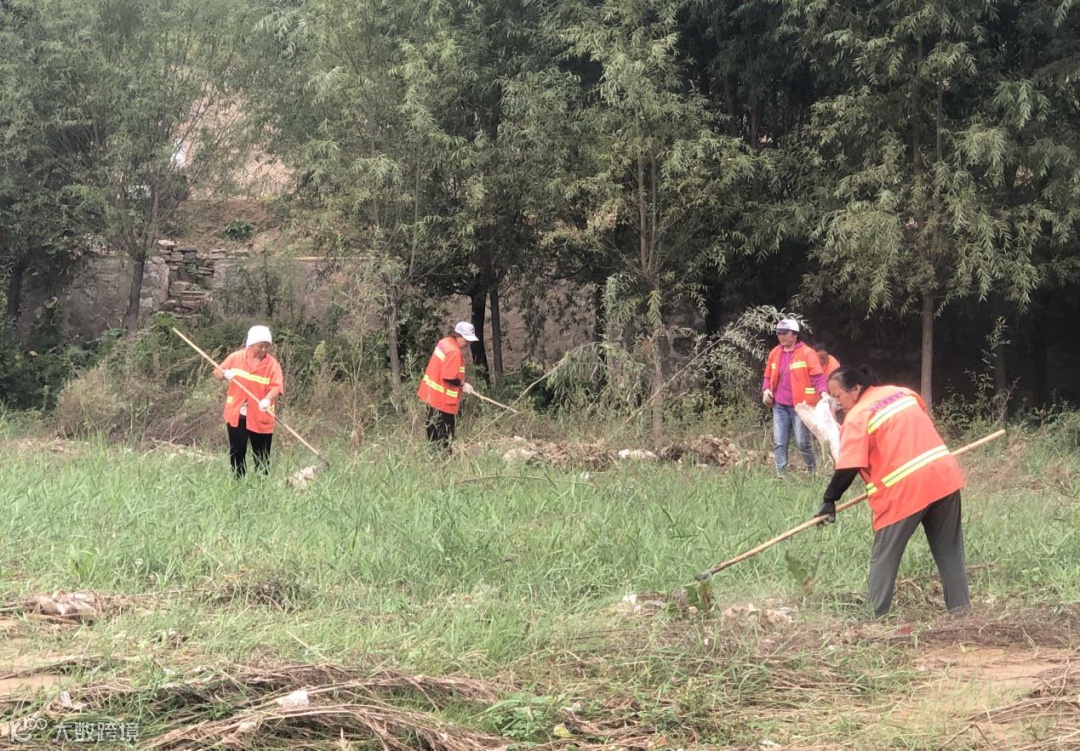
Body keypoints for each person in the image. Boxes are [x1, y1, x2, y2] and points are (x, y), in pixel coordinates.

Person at [813, 365, 970, 617]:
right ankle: (962, 614)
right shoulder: (902, 393)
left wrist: (829, 499)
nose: (836, 402)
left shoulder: (858, 416)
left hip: (904, 489)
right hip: (943, 476)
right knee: (950, 553)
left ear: (856, 389)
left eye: (838, 395)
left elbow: (848, 466)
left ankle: (874, 616)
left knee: (884, 556)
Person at [213, 325, 284, 478]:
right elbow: (217, 372)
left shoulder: (272, 365)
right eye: (260, 346)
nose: (264, 350)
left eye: (267, 346)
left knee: (262, 455)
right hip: (237, 414)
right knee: (237, 451)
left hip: (260, 415)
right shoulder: (236, 357)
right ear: (251, 344)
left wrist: (267, 399)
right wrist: (225, 374)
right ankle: (239, 482)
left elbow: (276, 387)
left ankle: (261, 484)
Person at [762, 317, 829, 475]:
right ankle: (780, 475)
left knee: (802, 442)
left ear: (795, 334)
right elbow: (767, 377)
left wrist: (824, 393)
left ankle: (812, 472)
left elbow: (818, 377)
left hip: (801, 406)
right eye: (779, 333)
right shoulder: (775, 353)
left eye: (785, 333)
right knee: (779, 441)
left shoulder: (807, 353)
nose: (782, 336)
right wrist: (766, 390)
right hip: (779, 405)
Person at [417, 321, 479, 452]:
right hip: (442, 401)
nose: (468, 343)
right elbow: (449, 376)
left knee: (432, 433)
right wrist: (463, 385)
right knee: (444, 435)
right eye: (466, 339)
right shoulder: (454, 351)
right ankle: (443, 458)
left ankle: (433, 457)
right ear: (458, 336)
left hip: (432, 397)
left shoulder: (444, 343)